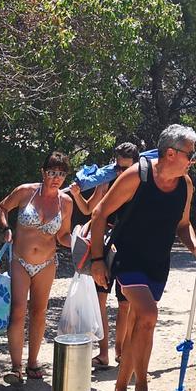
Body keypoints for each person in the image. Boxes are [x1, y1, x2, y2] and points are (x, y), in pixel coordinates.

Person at [88, 125, 196, 391]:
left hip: (158, 263)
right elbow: (99, 213)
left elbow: (183, 223)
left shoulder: (186, 185)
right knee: (148, 315)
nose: (193, 160)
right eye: (190, 154)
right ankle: (141, 390)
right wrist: (96, 261)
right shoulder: (136, 177)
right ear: (171, 153)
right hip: (127, 258)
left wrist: (194, 245)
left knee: (140, 323)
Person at [0, 152, 74, 385]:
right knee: (18, 310)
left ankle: (33, 362)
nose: (56, 178)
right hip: (20, 260)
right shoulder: (25, 192)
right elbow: (2, 207)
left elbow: (63, 236)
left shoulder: (66, 202)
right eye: (52, 172)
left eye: (61, 174)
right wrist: (6, 228)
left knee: (39, 313)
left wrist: (83, 242)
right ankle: (16, 367)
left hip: (47, 263)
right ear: (43, 172)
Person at [68, 142, 142, 370]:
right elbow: (90, 209)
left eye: (125, 168)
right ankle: (103, 353)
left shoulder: (141, 186)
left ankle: (121, 352)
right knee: (100, 300)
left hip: (129, 246)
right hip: (103, 245)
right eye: (117, 167)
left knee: (124, 304)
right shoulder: (106, 181)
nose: (120, 172)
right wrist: (76, 195)